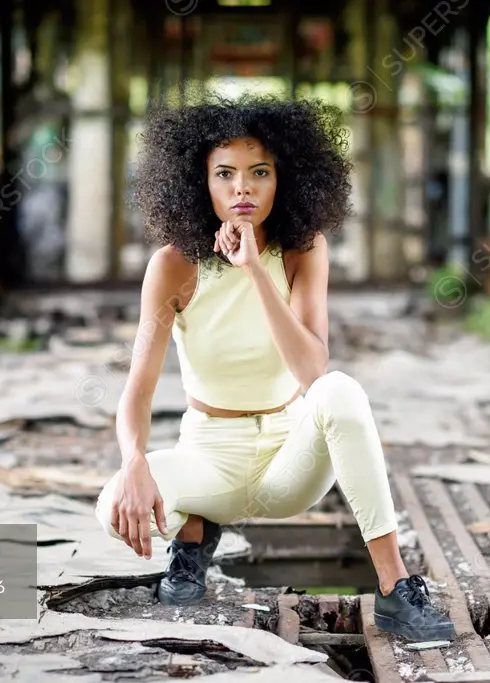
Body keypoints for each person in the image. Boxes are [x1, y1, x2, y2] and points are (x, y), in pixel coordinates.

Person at [94, 92, 456, 643]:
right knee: (111, 505)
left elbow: (313, 369)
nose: (242, 187)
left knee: (340, 391)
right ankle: (192, 535)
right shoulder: (171, 266)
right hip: (208, 455)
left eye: (259, 171)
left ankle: (393, 589)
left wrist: (254, 273)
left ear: (283, 180)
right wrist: (133, 459)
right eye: (225, 173)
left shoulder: (303, 249)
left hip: (289, 462)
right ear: (201, 184)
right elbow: (138, 390)